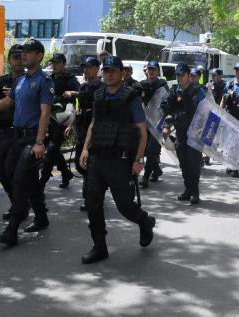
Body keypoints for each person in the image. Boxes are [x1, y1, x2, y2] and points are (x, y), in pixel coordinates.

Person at [0, 39, 54, 246]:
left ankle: (12, 230)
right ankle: (41, 216)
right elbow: (8, 102)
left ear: (39, 55)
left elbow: (45, 113)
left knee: (19, 180)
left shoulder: (44, 81)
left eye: (28, 52)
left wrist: (39, 141)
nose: (24, 55)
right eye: (22, 52)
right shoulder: (21, 81)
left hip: (32, 139)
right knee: (16, 174)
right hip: (17, 138)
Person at [78, 56, 155, 264]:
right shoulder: (99, 94)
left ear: (122, 73)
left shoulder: (131, 97)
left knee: (125, 206)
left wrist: (139, 159)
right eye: (106, 71)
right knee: (92, 204)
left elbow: (141, 130)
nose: (108, 74)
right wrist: (85, 149)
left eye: (113, 71)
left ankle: (145, 222)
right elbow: (94, 124)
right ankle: (99, 247)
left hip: (120, 162)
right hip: (97, 159)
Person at [162, 63, 206, 204]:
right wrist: (167, 126)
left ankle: (195, 192)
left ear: (189, 76)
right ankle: (188, 190)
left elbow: (207, 111)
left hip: (195, 134)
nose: (180, 78)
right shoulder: (175, 91)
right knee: (184, 164)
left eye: (182, 75)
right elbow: (169, 110)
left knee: (194, 164)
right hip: (180, 132)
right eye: (178, 75)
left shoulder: (198, 91)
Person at [63, 57, 103, 211]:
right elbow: (78, 108)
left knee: (91, 165)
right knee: (80, 165)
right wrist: (71, 125)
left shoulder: (102, 87)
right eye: (84, 67)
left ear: (97, 68)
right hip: (82, 129)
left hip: (97, 132)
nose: (86, 70)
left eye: (89, 67)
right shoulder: (83, 87)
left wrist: (74, 94)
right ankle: (93, 187)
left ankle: (91, 197)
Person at [0, 45, 26, 221]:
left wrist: (15, 96)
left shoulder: (30, 81)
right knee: (0, 168)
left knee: (13, 170)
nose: (19, 61)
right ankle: (17, 203)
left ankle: (20, 206)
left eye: (22, 57)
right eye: (15, 57)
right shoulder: (1, 81)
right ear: (9, 59)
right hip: (3, 132)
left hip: (21, 133)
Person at [40, 53, 79, 189]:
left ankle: (42, 182)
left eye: (57, 62)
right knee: (51, 149)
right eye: (53, 63)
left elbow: (81, 97)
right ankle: (66, 173)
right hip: (48, 118)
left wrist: (72, 94)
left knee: (51, 150)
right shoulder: (48, 79)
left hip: (63, 119)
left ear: (63, 64)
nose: (54, 65)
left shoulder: (71, 79)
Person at [139, 60, 168, 189]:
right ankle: (156, 170)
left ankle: (146, 176)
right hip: (143, 122)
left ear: (157, 71)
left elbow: (167, 105)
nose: (150, 71)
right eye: (149, 69)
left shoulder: (163, 86)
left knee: (152, 149)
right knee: (144, 150)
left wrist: (167, 124)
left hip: (157, 123)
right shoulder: (141, 85)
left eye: (153, 69)